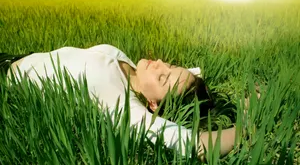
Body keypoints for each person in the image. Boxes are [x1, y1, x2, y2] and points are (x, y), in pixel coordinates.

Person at [0, 44, 236, 159]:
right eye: (171, 66)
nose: (160, 64)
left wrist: (247, 126)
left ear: (153, 104)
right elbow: (190, 77)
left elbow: (195, 145)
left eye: (163, 77)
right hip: (16, 57)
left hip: (5, 78)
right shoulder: (134, 71)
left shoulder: (122, 104)